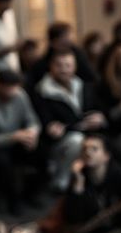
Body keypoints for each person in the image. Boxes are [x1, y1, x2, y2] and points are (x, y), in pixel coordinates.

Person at [33, 49, 107, 191]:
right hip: (59, 143)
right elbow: (46, 124)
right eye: (59, 66)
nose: (64, 70)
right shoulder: (42, 92)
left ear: (75, 67)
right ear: (51, 67)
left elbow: (98, 108)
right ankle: (61, 181)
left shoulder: (83, 86)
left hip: (88, 133)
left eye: (68, 65)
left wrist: (100, 117)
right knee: (76, 140)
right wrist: (63, 127)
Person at [0, 70, 41, 213]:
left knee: (39, 152)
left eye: (15, 87)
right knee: (4, 163)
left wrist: (32, 133)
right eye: (9, 87)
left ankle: (32, 195)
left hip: (19, 140)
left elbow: (33, 120)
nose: (13, 92)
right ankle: (13, 201)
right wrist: (13, 136)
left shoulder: (21, 96)